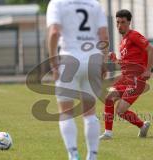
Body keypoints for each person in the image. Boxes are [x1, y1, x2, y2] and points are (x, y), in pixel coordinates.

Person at [46, 0, 109, 160]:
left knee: (66, 113)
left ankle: (73, 154)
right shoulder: (95, 4)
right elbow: (104, 35)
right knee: (90, 113)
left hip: (69, 59)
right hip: (92, 60)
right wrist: (104, 61)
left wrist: (53, 62)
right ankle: (92, 155)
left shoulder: (57, 3)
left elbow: (54, 32)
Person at [99, 9, 153, 140]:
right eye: (117, 22)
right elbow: (127, 65)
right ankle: (108, 133)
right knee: (109, 99)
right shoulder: (123, 42)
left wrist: (148, 69)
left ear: (129, 22)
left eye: (123, 22)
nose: (119, 25)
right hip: (125, 78)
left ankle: (142, 125)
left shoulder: (134, 35)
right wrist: (116, 60)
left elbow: (151, 50)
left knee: (120, 111)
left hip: (136, 80)